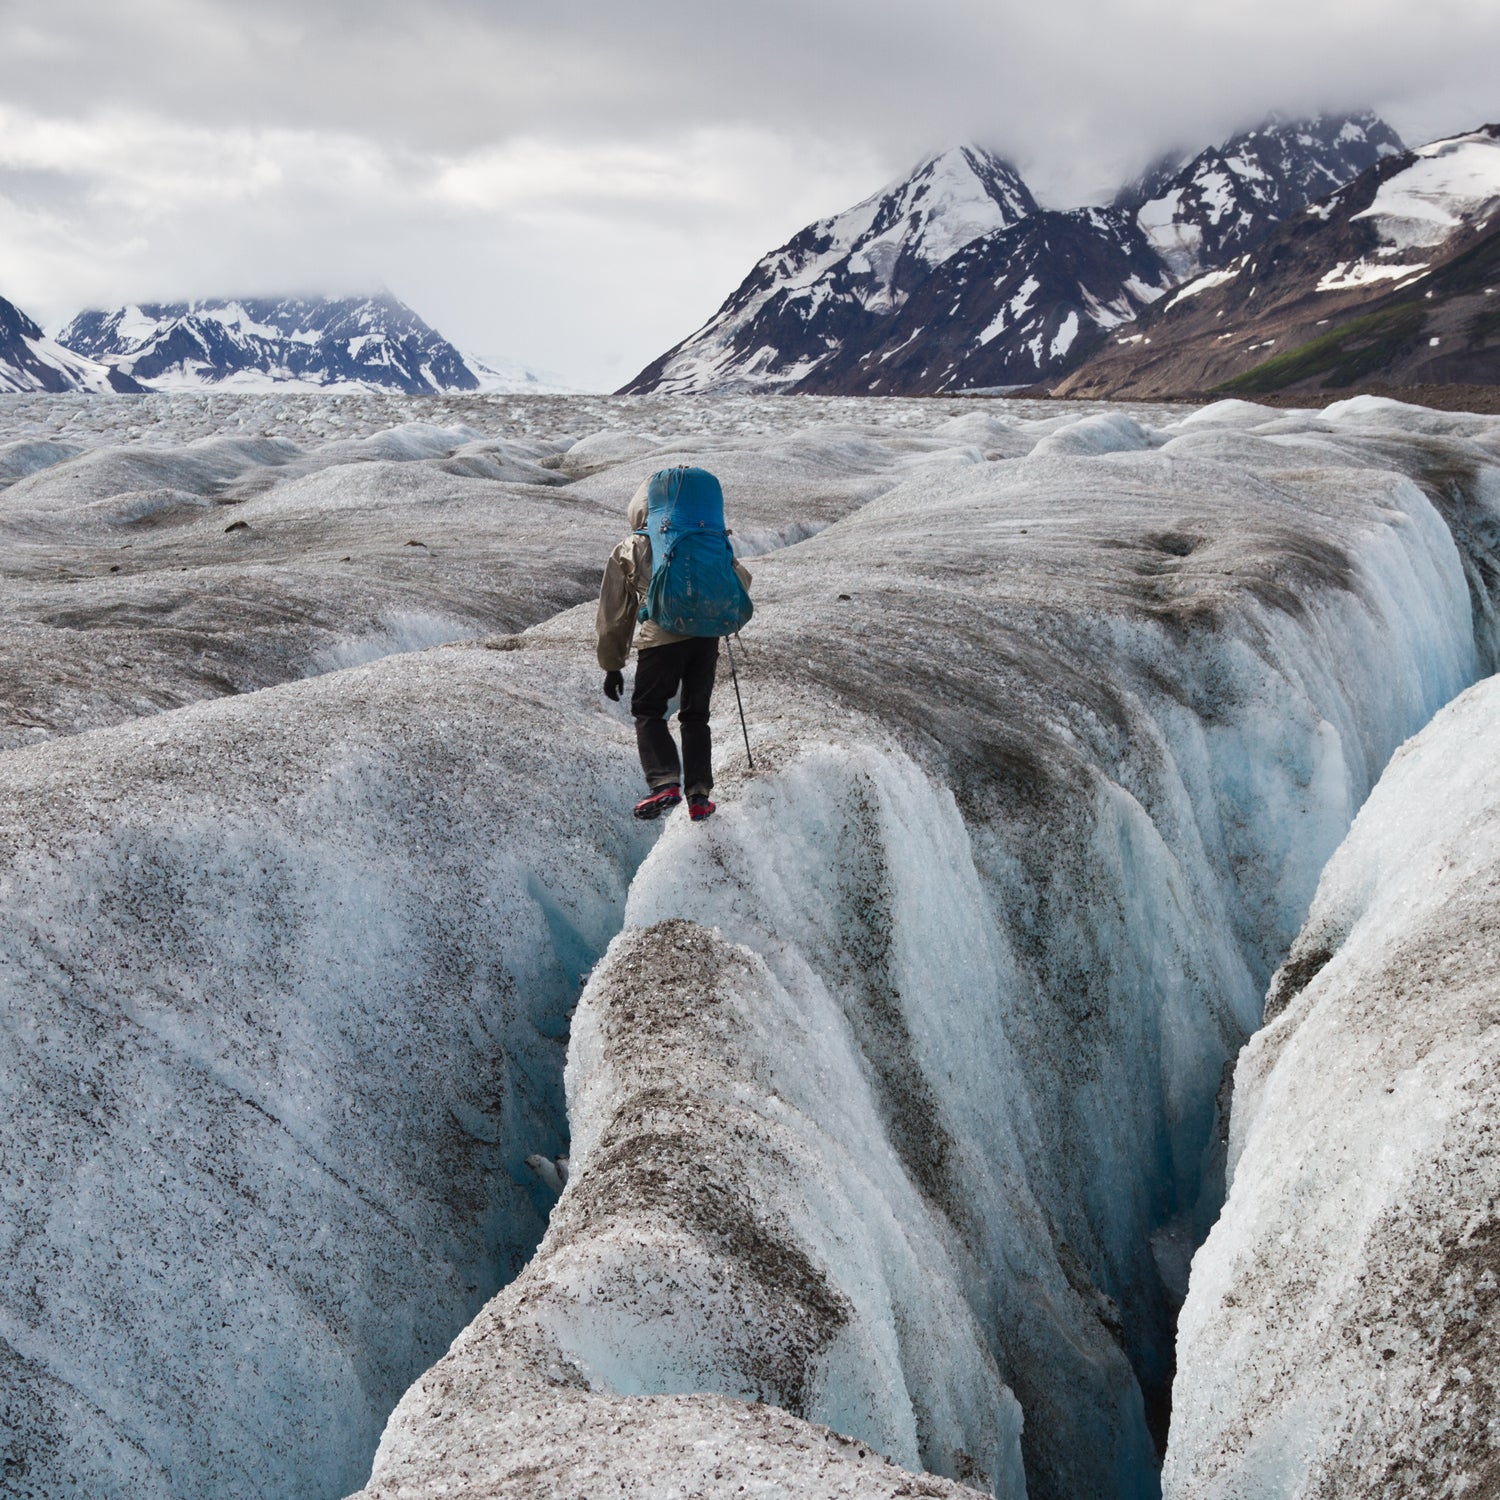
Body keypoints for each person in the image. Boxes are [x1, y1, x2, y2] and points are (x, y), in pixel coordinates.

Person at [595, 474, 752, 822]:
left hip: (661, 640)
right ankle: (699, 795)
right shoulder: (706, 539)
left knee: (649, 710)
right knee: (696, 716)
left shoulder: (632, 546)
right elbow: (740, 580)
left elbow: (614, 613)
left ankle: (665, 782)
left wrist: (612, 664)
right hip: (706, 639)